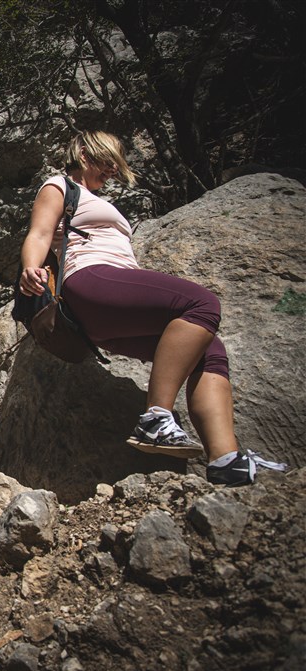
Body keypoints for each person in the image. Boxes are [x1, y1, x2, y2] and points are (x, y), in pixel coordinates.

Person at [17, 131, 288, 486]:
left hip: (106, 311)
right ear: (84, 154)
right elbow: (39, 233)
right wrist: (31, 267)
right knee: (201, 303)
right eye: (107, 160)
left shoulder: (97, 199)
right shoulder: (59, 186)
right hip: (89, 281)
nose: (113, 169)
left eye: (117, 163)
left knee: (209, 350)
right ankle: (155, 420)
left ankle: (226, 460)